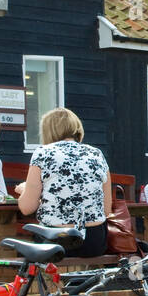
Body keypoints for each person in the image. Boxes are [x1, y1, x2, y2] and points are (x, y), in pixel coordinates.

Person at [15, 108, 110, 258]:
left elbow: (27, 208)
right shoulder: (96, 154)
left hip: (56, 240)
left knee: (22, 248)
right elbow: (106, 209)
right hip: (94, 241)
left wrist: (24, 190)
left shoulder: (43, 153)